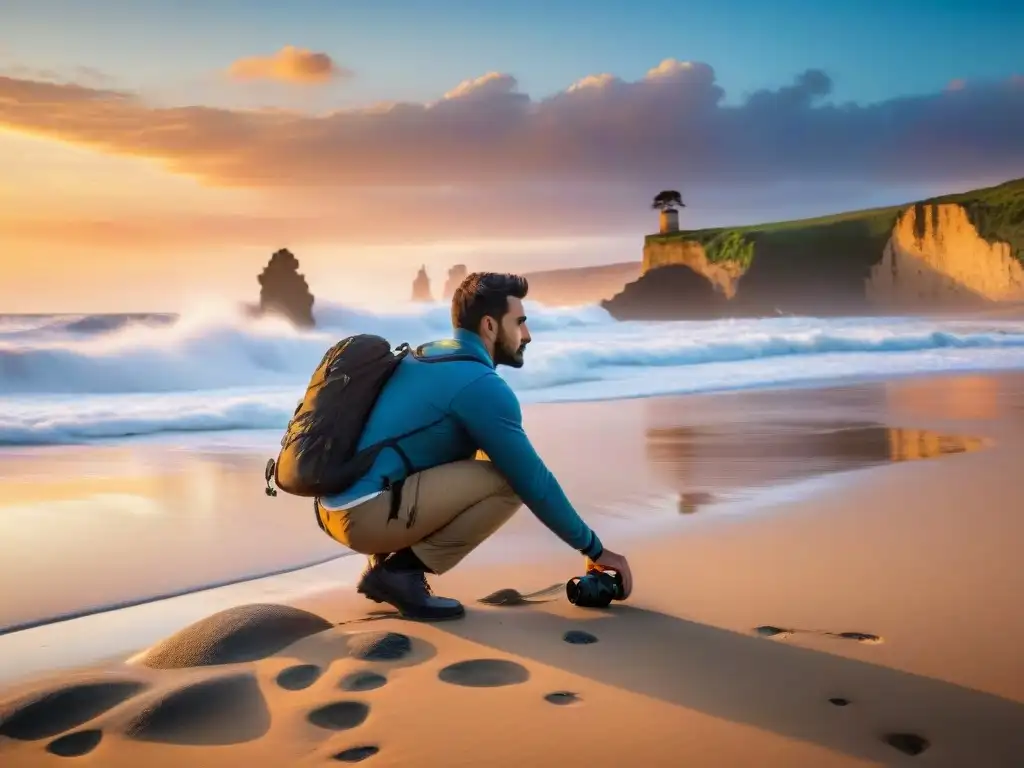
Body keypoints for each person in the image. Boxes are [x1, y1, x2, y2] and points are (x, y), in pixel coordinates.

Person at [315, 272, 632, 620]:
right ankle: (399, 574)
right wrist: (595, 549)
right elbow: (534, 482)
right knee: (510, 482)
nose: (527, 335)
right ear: (490, 326)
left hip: (331, 507)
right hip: (364, 516)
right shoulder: (480, 386)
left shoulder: (425, 355)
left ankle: (389, 561)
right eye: (520, 323)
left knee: (466, 452)